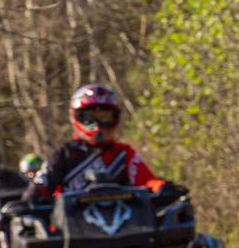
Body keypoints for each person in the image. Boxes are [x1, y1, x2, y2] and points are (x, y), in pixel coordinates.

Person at [25, 83, 167, 203]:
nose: (97, 124)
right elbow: (43, 183)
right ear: (77, 116)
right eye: (90, 117)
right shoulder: (65, 153)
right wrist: (30, 199)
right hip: (72, 226)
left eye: (104, 117)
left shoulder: (123, 153)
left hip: (124, 223)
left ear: (114, 118)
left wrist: (162, 187)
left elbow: (147, 181)